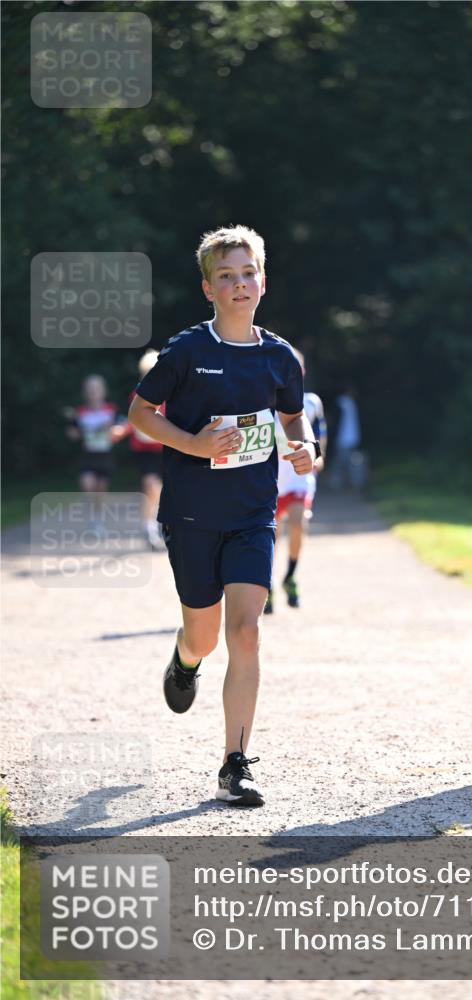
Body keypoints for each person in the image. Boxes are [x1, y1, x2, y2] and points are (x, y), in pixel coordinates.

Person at [128, 225, 318, 806]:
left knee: (246, 631)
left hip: (251, 515)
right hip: (190, 515)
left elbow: (291, 419)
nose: (240, 285)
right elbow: (139, 412)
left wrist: (307, 445)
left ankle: (235, 762)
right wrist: (193, 445)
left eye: (248, 273)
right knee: (205, 636)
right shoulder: (186, 351)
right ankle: (184, 660)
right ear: (208, 288)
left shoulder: (280, 357)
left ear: (263, 280)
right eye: (226, 276)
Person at [265, 349, 326, 613]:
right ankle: (265, 585)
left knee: (299, 522)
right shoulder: (264, 401)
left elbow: (320, 433)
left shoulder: (311, 402)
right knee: (272, 534)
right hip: (272, 477)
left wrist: (318, 455)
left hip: (300, 476)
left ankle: (290, 576)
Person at [64, 374, 125, 531]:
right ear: (85, 392)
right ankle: (92, 515)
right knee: (87, 484)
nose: (93, 392)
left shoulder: (111, 410)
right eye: (90, 389)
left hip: (105, 456)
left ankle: (98, 518)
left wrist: (114, 432)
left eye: (96, 389)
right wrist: (77, 433)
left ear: (103, 391)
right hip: (88, 456)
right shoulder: (80, 412)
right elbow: (71, 431)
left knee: (100, 488)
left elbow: (122, 428)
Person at [124, 350, 166, 551]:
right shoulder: (137, 395)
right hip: (145, 451)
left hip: (167, 449)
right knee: (151, 486)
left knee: (164, 490)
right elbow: (134, 420)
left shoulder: (172, 394)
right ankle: (150, 528)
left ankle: (160, 523)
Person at [329, 389, 363, 490]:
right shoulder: (345, 404)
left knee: (340, 462)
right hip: (347, 438)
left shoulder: (346, 403)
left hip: (346, 439)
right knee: (345, 462)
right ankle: (351, 483)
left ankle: (337, 482)